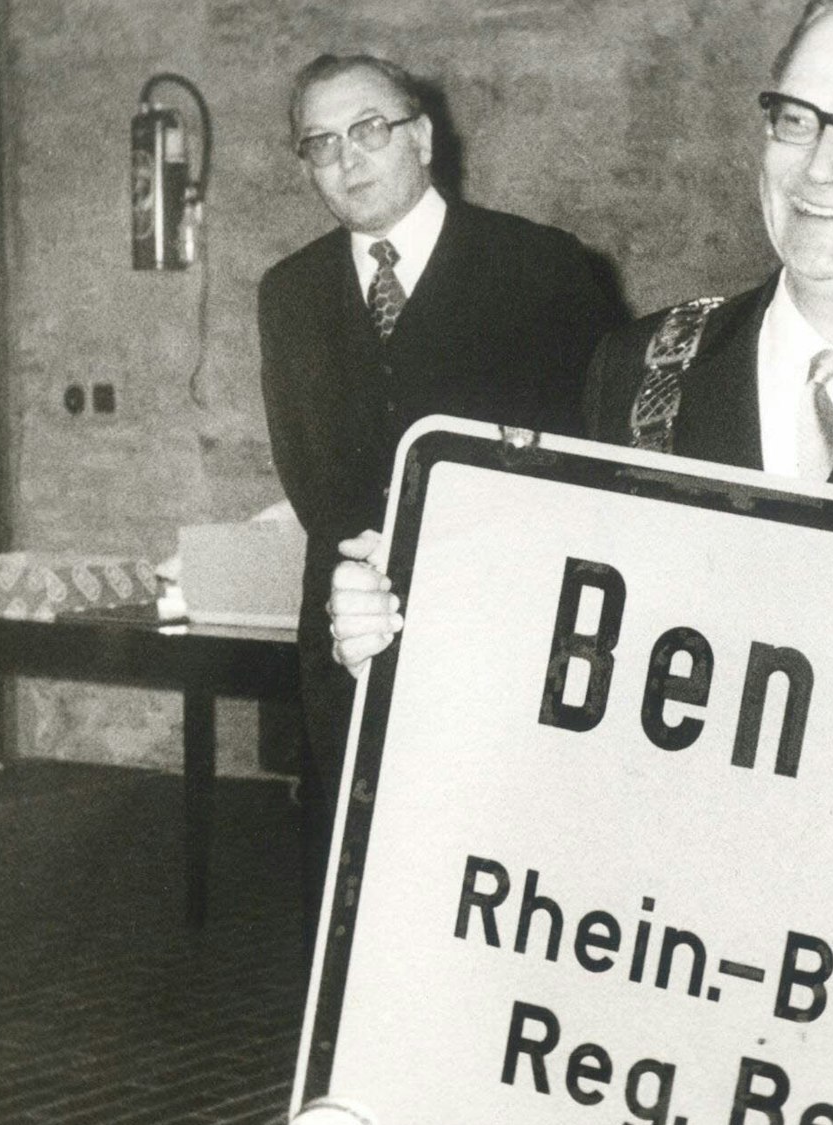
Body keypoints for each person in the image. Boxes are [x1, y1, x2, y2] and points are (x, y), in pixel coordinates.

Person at [326, 0, 833, 676]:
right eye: (796, 120)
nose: (820, 167)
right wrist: (403, 624)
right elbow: (565, 639)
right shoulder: (638, 370)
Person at [258, 53, 618, 938]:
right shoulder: (291, 293)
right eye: (321, 143)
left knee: (495, 889)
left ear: (421, 135)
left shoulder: (540, 266)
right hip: (347, 639)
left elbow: (595, 462)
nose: (348, 158)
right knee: (353, 892)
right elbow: (308, 468)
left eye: (370, 130)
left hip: (502, 633)